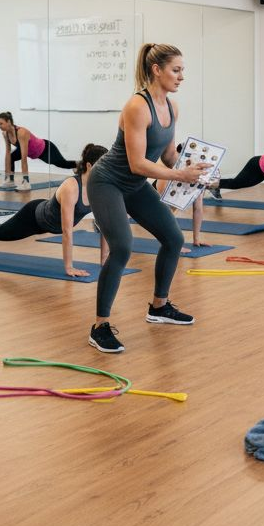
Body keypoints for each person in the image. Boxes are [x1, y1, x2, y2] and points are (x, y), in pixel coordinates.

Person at [86, 43, 209, 354]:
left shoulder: (172, 107)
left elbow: (167, 155)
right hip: (108, 182)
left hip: (135, 185)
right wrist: (180, 176)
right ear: (157, 70)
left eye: (183, 70)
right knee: (122, 247)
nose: (182, 76)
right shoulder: (137, 107)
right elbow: (137, 162)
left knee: (172, 238)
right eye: (176, 70)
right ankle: (99, 326)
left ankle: (159, 306)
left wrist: (195, 173)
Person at [0, 144, 107, 277]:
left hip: (48, 223)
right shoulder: (72, 187)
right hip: (33, 217)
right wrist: (69, 267)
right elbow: (67, 231)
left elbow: (106, 226)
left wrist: (104, 260)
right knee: (0, 233)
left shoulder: (100, 188)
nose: (106, 170)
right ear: (88, 165)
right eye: (102, 165)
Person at [0, 111, 76, 192]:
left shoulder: (21, 132)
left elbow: (24, 158)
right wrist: (7, 175)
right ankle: (10, 180)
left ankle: (77, 164)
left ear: (8, 121)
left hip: (45, 149)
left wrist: (26, 179)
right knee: (11, 157)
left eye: (1, 123)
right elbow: (7, 153)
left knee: (62, 164)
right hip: (32, 152)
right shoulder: (5, 134)